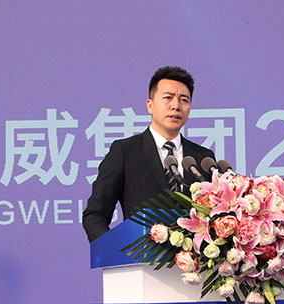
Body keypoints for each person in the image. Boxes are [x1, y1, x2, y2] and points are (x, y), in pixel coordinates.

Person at [82, 66, 215, 242]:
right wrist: (112, 249)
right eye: (168, 98)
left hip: (193, 258)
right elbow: (95, 214)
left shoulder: (203, 158)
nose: (176, 106)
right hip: (141, 256)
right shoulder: (125, 152)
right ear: (150, 105)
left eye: (184, 100)